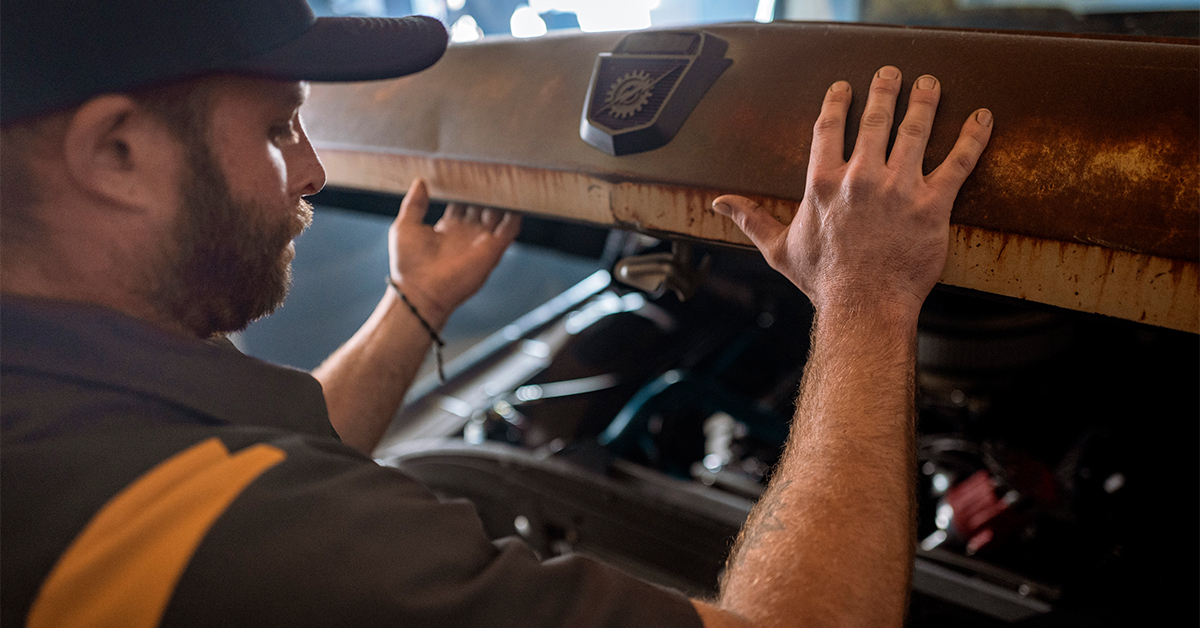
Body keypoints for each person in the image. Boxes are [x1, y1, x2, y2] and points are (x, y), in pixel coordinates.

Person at [0, 1, 992, 626]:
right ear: (114, 154)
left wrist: (415, 304)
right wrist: (867, 295)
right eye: (275, 128)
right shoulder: (245, 543)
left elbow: (213, 468)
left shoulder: (65, 423)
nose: (309, 168)